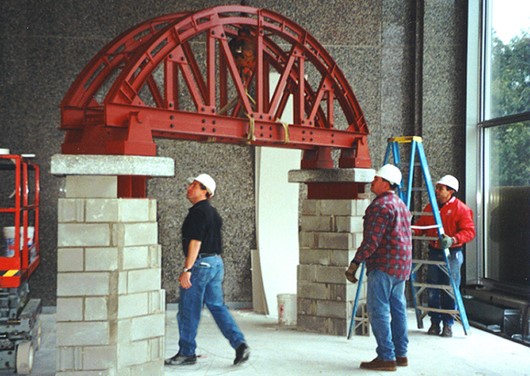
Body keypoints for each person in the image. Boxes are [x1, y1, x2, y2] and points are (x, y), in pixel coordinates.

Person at [165, 173, 250, 366]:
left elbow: (195, 243)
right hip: (215, 264)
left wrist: (187, 269)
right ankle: (240, 345)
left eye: (194, 185)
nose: (189, 188)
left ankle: (187, 352)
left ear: (205, 192)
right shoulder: (213, 213)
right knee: (217, 306)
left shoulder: (197, 213)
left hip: (201, 265)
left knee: (188, 308)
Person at [345, 164, 412, 372]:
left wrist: (355, 263)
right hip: (401, 266)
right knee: (398, 309)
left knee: (378, 310)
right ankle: (401, 354)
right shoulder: (400, 204)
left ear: (386, 183)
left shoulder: (380, 206)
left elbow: (371, 241)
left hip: (383, 265)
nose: (372, 182)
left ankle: (386, 356)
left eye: (376, 179)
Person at [413, 175, 475, 338]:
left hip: (452, 253)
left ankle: (448, 324)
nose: (437, 191)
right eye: (437, 187)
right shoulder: (430, 208)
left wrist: (453, 239)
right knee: (433, 286)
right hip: (435, 251)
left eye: (441, 188)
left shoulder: (461, 209)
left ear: (451, 191)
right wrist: (412, 230)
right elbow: (422, 225)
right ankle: (435, 322)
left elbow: (469, 231)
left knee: (449, 287)